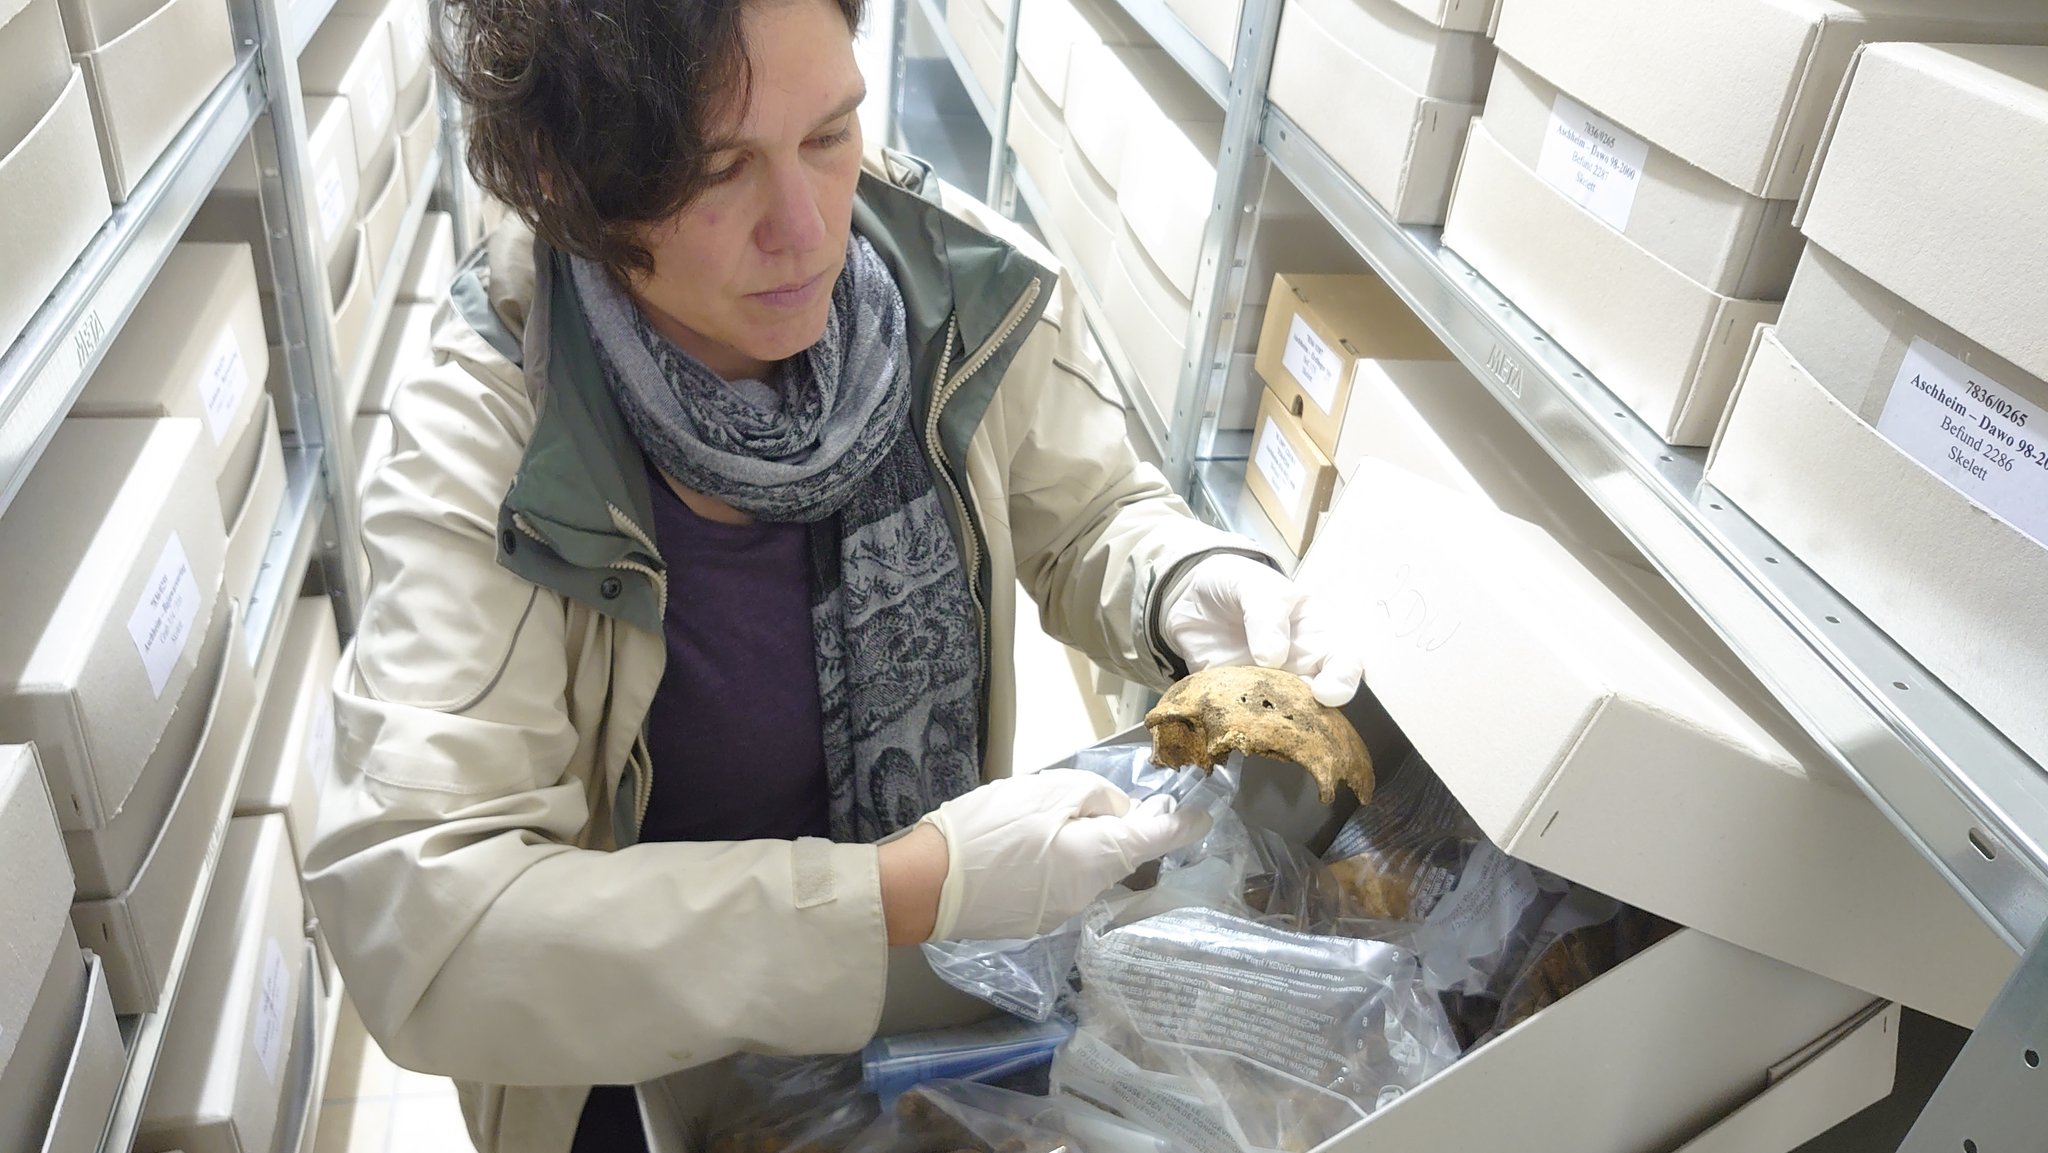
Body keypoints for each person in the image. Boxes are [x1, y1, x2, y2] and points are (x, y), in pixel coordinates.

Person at [304, 0, 1364, 1149]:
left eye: (829, 134)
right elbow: (429, 920)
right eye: (718, 169)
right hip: (649, 1088)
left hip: (939, 1035)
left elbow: (1090, 507)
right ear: (572, 181)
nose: (808, 229)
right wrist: (903, 892)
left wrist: (1182, 575)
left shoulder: (935, 284)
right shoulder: (495, 437)